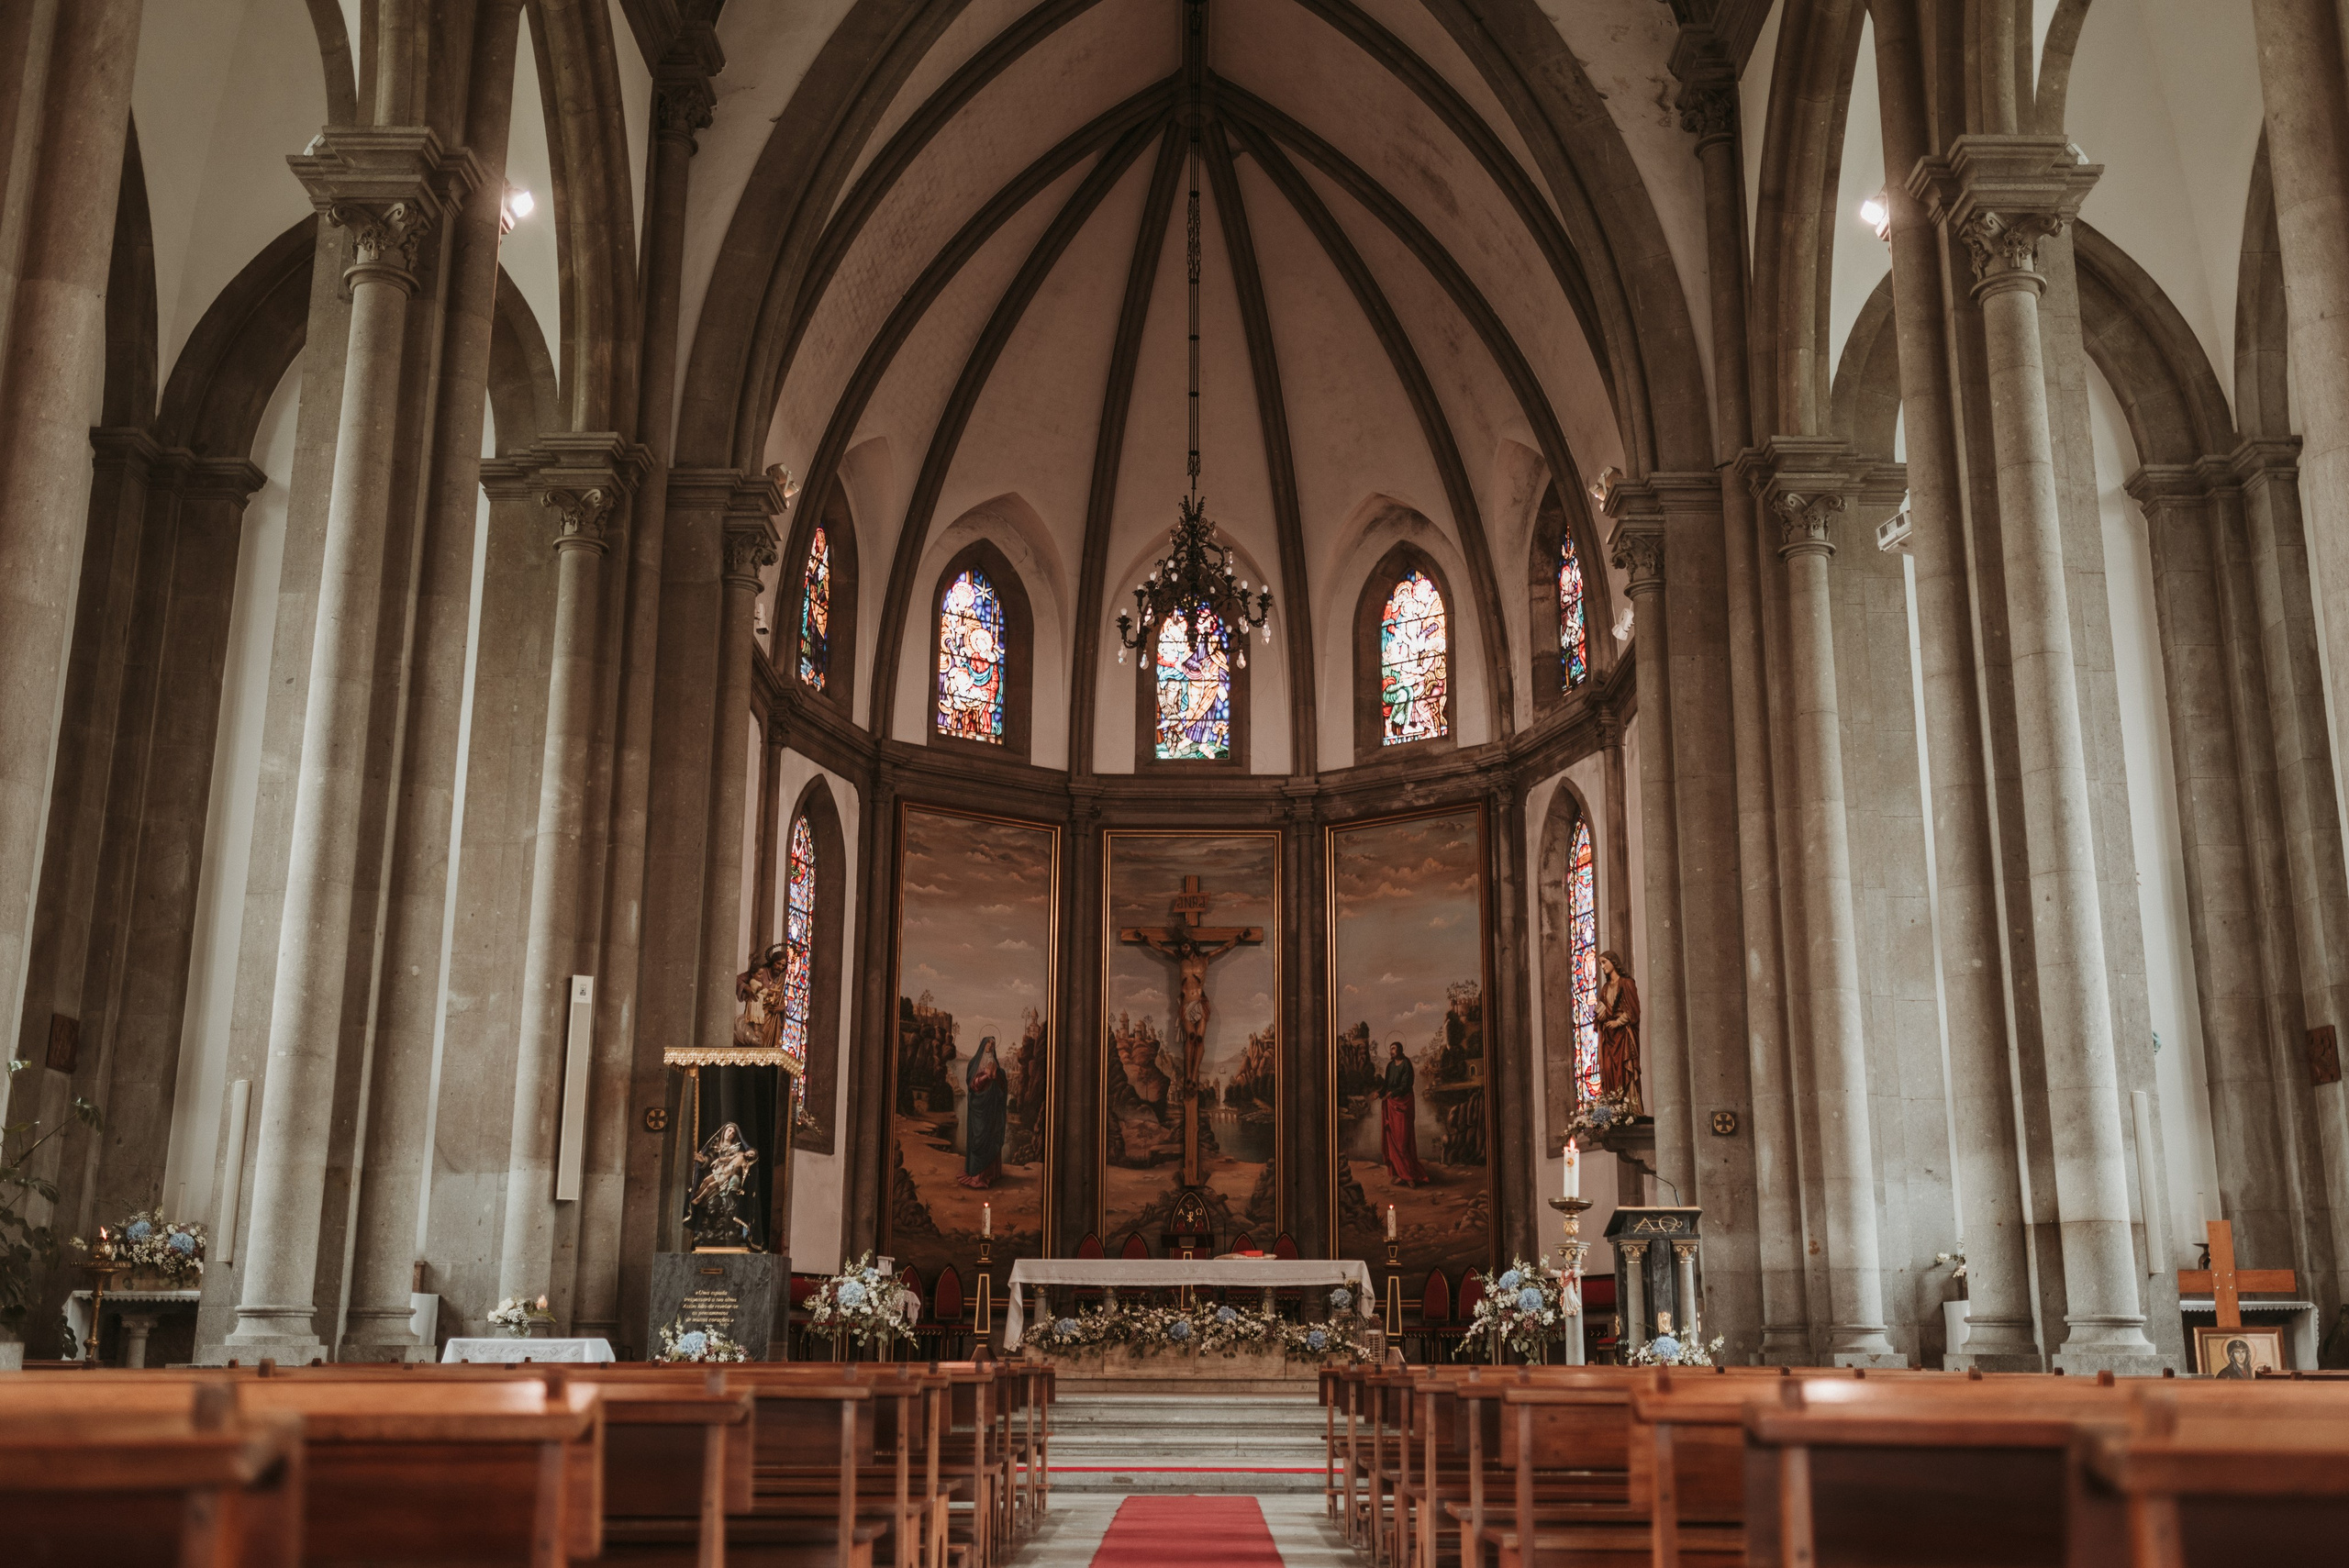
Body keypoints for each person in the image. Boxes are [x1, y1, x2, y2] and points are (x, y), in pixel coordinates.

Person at [1595, 950, 1643, 1113]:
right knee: (1608, 1070)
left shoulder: (1627, 983)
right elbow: (1601, 1014)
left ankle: (1630, 1108)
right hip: (1609, 1038)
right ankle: (1613, 1109)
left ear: (1613, 962)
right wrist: (1599, 1016)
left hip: (1623, 1037)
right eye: (1600, 963)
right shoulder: (1605, 988)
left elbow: (1634, 1011)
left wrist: (1618, 1022)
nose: (1602, 967)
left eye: (1604, 962)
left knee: (1626, 1069)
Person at [1379, 1040, 1430, 1185]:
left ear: (1400, 1050)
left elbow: (1406, 1085)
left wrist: (1392, 1094)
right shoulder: (1390, 1066)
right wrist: (1380, 1093)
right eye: (1390, 1049)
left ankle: (1411, 1174)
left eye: (1394, 1049)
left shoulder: (1406, 1064)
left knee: (1402, 1141)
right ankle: (1402, 1174)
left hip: (1404, 1104)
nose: (1392, 1051)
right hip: (1391, 1104)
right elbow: (1386, 1085)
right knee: (1392, 1139)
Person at [959, 1036, 1008, 1188]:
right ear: (982, 1044)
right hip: (979, 1108)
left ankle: (989, 1174)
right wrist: (986, 1076)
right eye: (988, 1043)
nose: (991, 1046)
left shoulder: (996, 1064)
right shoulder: (975, 1063)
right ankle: (977, 1176)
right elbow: (972, 1084)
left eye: (993, 1044)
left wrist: (997, 1076)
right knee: (979, 1139)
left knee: (990, 1136)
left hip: (992, 1108)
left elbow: (1002, 1085)